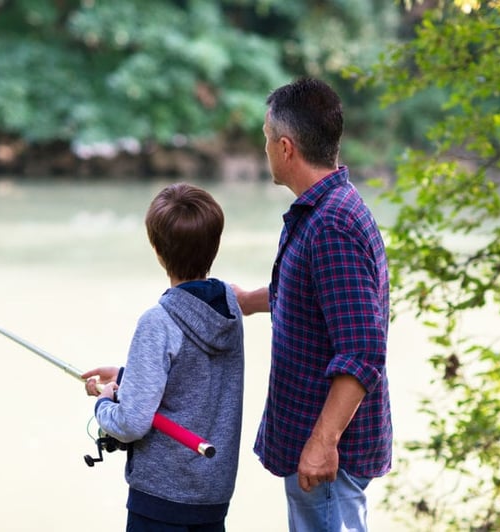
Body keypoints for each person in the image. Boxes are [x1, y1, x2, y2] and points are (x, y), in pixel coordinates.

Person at [233, 78, 392, 531]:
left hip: (330, 456)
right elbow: (315, 297)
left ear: (286, 148)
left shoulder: (332, 226)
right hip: (317, 440)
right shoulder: (321, 209)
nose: (264, 150)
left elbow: (362, 350)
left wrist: (323, 442)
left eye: (266, 140)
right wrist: (249, 301)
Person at [82, 182, 245, 532]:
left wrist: (105, 404)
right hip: (212, 498)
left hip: (160, 502)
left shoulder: (158, 321)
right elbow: (192, 383)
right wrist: (129, 376)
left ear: (157, 249)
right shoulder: (229, 308)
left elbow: (130, 424)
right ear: (214, 245)